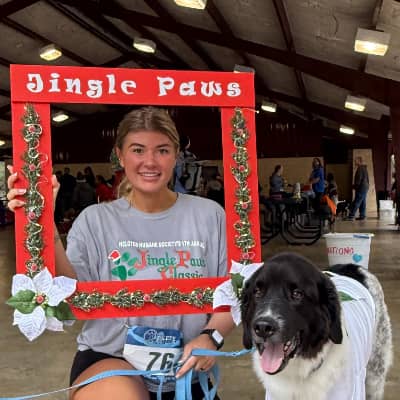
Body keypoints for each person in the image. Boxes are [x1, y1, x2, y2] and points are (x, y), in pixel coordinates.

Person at [7, 106, 234, 400]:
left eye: (162, 150)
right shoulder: (95, 220)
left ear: (176, 155)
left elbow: (235, 291)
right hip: (110, 359)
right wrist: (43, 223)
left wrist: (211, 337)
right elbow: (69, 292)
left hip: (185, 369)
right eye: (138, 150)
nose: (150, 162)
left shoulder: (210, 216)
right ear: (120, 155)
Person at [345, 156, 369, 221]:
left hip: (361, 187)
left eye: (356, 160)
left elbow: (358, 179)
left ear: (359, 161)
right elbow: (367, 179)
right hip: (365, 187)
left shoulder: (360, 169)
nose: (355, 162)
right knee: (363, 202)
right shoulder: (364, 168)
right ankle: (362, 216)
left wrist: (355, 186)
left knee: (357, 201)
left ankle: (351, 216)